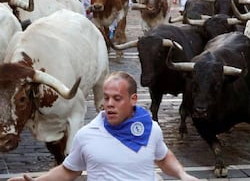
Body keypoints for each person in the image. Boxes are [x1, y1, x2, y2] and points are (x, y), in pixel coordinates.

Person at [7, 71, 200, 181]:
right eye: (106, 97)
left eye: (117, 99)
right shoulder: (87, 134)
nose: (109, 104)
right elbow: (68, 170)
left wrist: (183, 175)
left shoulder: (151, 129)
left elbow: (164, 157)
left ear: (133, 99)